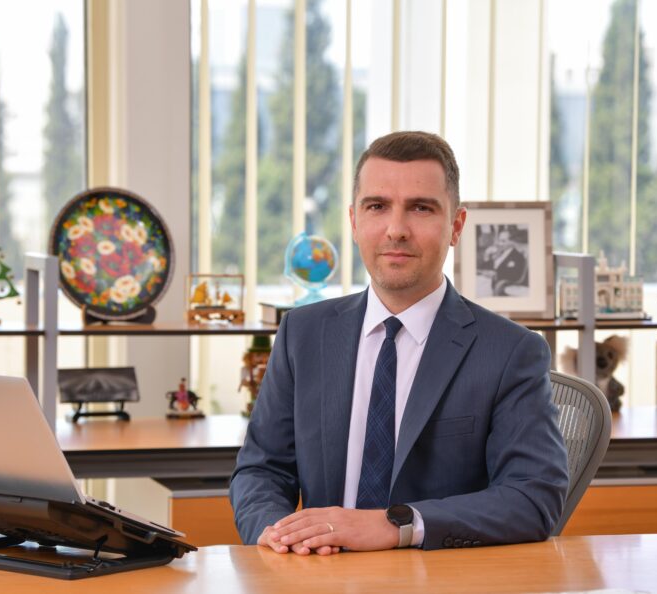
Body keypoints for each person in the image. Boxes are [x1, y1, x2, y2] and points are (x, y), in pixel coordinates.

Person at [230, 131, 568, 554]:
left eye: (421, 208)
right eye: (377, 206)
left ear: (456, 226)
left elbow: (533, 497)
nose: (396, 230)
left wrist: (396, 526)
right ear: (354, 221)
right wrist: (279, 536)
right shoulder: (303, 333)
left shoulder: (509, 352)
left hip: (438, 576)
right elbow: (261, 471)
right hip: (320, 572)